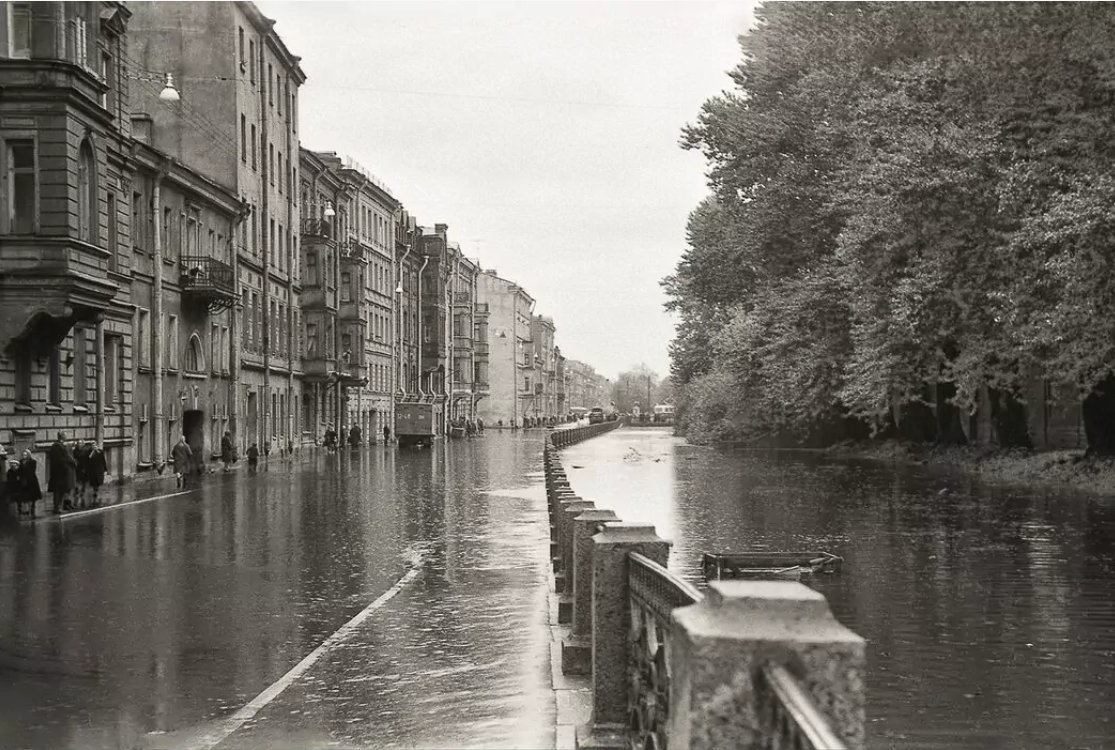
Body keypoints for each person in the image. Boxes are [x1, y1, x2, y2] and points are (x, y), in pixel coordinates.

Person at [47, 432, 76, 513]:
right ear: (62, 437)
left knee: (59, 491)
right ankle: (57, 508)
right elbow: (66, 458)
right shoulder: (59, 447)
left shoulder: (56, 446)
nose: (66, 437)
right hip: (61, 473)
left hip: (58, 472)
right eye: (65, 435)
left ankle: (58, 507)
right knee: (59, 491)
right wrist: (73, 462)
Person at [16, 450, 41, 518]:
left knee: (32, 496)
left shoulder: (33, 462)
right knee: (24, 496)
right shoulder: (21, 462)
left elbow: (31, 471)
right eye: (23, 455)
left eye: (25, 455)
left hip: (31, 481)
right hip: (23, 481)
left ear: (28, 455)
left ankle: (32, 509)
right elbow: (19, 471)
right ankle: (24, 509)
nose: (24, 456)